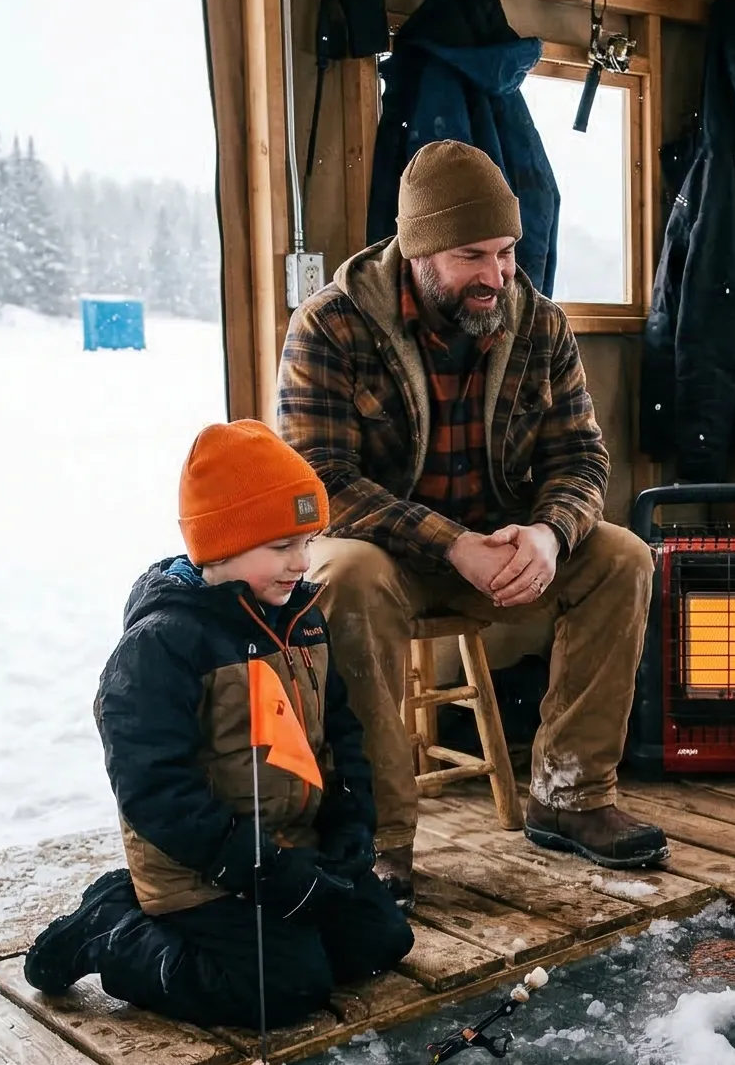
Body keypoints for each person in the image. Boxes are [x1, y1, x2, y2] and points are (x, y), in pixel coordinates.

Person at [278, 140, 667, 894]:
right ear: (418, 253)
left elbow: (582, 460)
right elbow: (319, 484)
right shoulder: (329, 327)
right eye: (471, 257)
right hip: (384, 556)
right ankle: (377, 834)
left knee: (622, 558)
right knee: (344, 575)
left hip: (503, 545)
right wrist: (451, 546)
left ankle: (569, 797)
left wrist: (550, 535)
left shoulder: (539, 325)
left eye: (506, 251)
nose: (496, 276)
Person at [23, 421, 412, 1029]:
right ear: (223, 545)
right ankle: (112, 932)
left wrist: (350, 826)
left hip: (287, 854)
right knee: (281, 990)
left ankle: (264, 920)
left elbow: (340, 733)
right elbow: (154, 791)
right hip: (204, 871)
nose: (302, 562)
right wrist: (256, 867)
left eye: (307, 541)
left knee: (380, 942)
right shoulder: (163, 645)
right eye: (282, 546)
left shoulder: (302, 619)